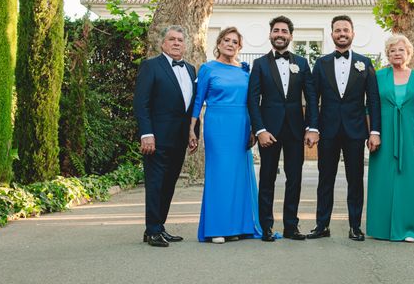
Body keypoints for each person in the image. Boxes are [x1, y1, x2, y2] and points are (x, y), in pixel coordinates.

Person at [307, 15, 381, 241]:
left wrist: (374, 131)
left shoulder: (365, 63)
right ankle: (322, 225)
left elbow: (374, 100)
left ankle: (355, 226)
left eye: (345, 30)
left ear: (352, 34)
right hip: (328, 130)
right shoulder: (321, 63)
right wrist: (313, 127)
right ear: (332, 35)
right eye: (338, 30)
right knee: (325, 179)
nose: (342, 33)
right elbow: (312, 98)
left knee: (355, 179)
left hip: (355, 130)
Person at [247, 16, 318, 242]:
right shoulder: (259, 64)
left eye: (284, 31)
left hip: (296, 130)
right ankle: (266, 226)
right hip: (269, 130)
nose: (280, 34)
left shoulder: (302, 63)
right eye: (276, 30)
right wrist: (260, 130)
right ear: (270, 35)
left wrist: (312, 127)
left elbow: (312, 98)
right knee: (266, 178)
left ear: (290, 36)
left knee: (294, 179)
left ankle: (291, 226)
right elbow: (253, 99)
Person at [189, 27, 261, 244]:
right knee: (219, 175)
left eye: (235, 42)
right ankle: (217, 228)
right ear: (219, 43)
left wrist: (253, 128)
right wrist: (191, 128)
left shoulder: (244, 71)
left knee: (240, 176)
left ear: (239, 47)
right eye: (226, 40)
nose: (230, 44)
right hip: (218, 125)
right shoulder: (208, 69)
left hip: (242, 124)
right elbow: (198, 100)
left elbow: (252, 102)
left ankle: (240, 226)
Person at [133, 25, 197, 247]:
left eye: (180, 39)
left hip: (179, 138)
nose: (177, 43)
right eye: (172, 39)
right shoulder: (151, 66)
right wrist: (146, 134)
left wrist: (192, 133)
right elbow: (141, 104)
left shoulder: (190, 69)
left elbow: (190, 107)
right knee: (156, 184)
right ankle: (152, 231)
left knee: (169, 184)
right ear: (163, 43)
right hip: (157, 138)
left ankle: (159, 227)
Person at [366, 35, 414, 242]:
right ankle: (380, 228)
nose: (396, 54)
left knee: (408, 179)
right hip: (383, 135)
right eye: (392, 51)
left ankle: (409, 229)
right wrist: (372, 133)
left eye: (400, 50)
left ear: (408, 53)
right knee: (382, 179)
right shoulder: (378, 76)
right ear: (388, 54)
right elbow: (369, 107)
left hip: (410, 134)